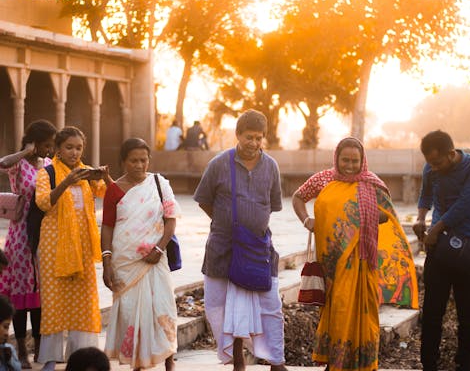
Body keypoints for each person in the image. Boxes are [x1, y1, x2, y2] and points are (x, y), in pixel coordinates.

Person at [292, 137, 418, 371]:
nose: (349, 165)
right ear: (336, 159)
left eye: (355, 161)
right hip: (331, 262)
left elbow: (386, 215)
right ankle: (335, 362)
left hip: (361, 261)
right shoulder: (324, 179)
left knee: (363, 311)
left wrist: (355, 217)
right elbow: (298, 197)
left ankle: (362, 363)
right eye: (345, 160)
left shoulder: (372, 184)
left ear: (363, 161)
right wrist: (307, 220)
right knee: (336, 307)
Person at [194, 109, 288, 371]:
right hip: (223, 246)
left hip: (258, 249)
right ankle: (236, 361)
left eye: (259, 138)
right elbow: (203, 200)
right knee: (221, 306)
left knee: (271, 306)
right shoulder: (219, 164)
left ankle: (276, 361)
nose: (255, 143)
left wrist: (251, 226)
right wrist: (226, 222)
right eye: (249, 137)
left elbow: (273, 205)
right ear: (237, 135)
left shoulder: (271, 166)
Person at [35, 126, 112, 371]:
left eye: (78, 148)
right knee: (54, 301)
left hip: (82, 247)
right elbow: (44, 202)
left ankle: (81, 359)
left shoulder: (85, 173)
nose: (74, 152)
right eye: (69, 147)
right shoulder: (47, 173)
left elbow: (108, 193)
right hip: (53, 248)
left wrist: (104, 177)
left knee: (83, 301)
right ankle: (49, 359)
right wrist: (66, 181)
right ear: (57, 149)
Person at [412, 130, 470, 371]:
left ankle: (465, 363)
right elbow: (425, 195)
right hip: (439, 252)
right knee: (433, 311)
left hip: (469, 249)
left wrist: (436, 230)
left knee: (467, 312)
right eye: (429, 163)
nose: (433, 168)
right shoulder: (431, 168)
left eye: (437, 163)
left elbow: (465, 205)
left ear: (451, 153)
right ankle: (429, 363)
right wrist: (422, 218)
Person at [101, 138, 179, 370]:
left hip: (156, 259)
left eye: (143, 160)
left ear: (149, 161)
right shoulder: (114, 190)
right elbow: (107, 226)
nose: (139, 165)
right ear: (123, 162)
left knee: (164, 308)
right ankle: (138, 362)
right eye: (133, 161)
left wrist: (158, 248)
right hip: (125, 262)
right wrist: (106, 262)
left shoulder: (159, 183)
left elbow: (171, 219)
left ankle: (169, 361)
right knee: (130, 312)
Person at [0, 119, 57, 368]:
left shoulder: (48, 164)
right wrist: (27, 150)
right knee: (22, 293)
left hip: (44, 231)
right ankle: (21, 348)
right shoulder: (20, 163)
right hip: (21, 234)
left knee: (40, 293)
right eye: (46, 145)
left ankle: (40, 347)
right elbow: (2, 163)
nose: (49, 149)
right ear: (35, 143)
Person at [0, 295, 21, 371]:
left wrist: (9, 359)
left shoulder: (8, 349)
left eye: (8, 327)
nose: (7, 333)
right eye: (5, 326)